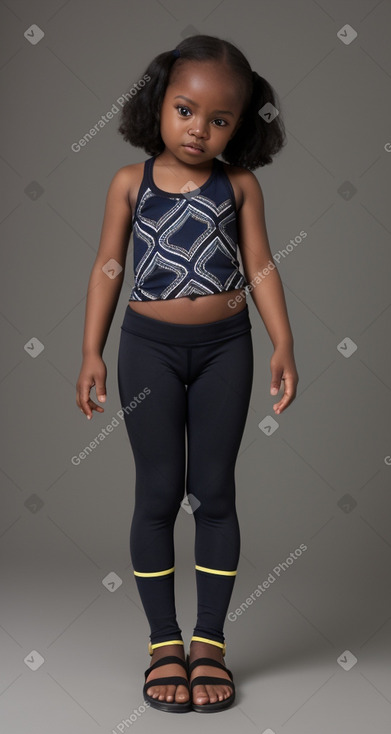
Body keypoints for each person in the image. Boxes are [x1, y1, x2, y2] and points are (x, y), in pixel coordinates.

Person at [76, 34, 299, 714]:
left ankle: (209, 644)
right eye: (184, 109)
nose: (199, 128)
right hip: (148, 350)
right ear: (157, 106)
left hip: (226, 348)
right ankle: (162, 644)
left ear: (240, 125)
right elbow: (108, 267)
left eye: (220, 119)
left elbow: (259, 265)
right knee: (156, 494)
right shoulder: (128, 183)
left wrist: (282, 341)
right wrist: (90, 351)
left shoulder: (239, 185)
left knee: (213, 493)